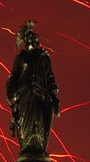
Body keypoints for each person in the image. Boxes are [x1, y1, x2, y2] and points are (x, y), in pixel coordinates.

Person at [6, 21, 60, 154]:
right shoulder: (20, 58)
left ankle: (38, 147)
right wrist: (11, 92)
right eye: (29, 40)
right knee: (24, 123)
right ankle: (26, 148)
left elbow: (49, 77)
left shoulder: (43, 57)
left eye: (34, 40)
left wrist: (54, 97)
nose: (31, 42)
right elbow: (13, 76)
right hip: (23, 96)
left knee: (39, 121)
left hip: (39, 95)